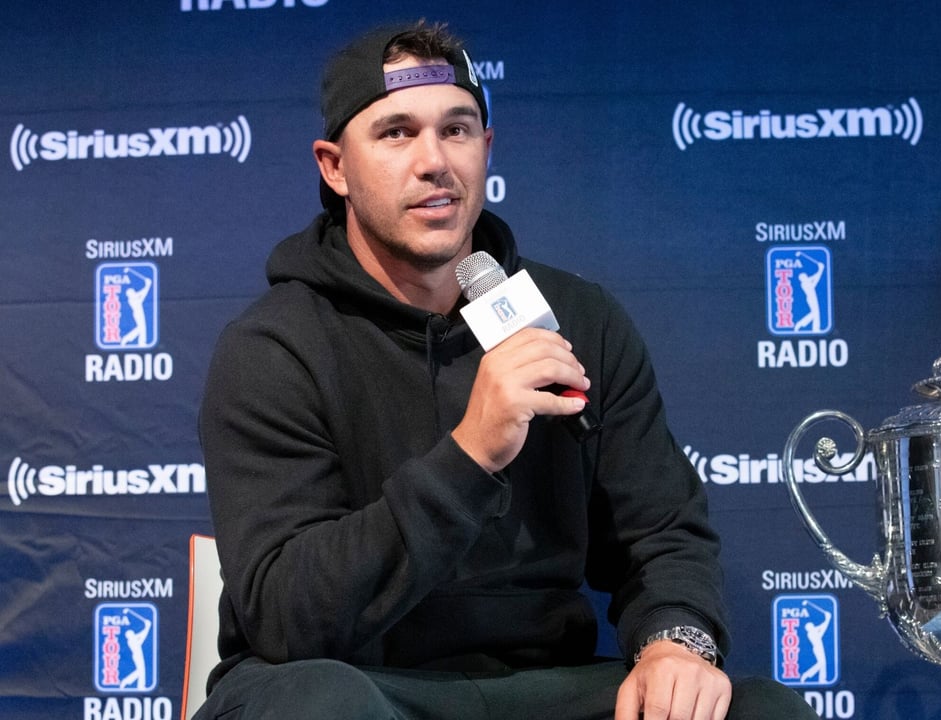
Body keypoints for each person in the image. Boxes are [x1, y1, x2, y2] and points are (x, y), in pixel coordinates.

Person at [196, 20, 815, 720]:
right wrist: (470, 456)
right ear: (334, 167)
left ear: (486, 148)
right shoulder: (274, 347)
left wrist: (676, 641)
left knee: (761, 710)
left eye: (457, 130)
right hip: (354, 679)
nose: (435, 161)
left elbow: (661, 532)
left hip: (544, 685)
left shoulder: (577, 316)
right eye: (397, 133)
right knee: (319, 706)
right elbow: (287, 619)